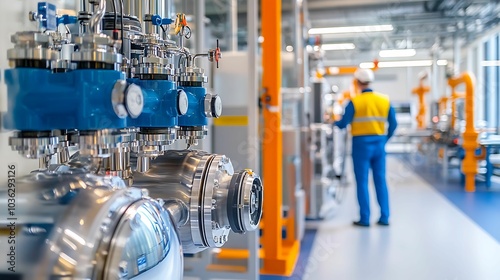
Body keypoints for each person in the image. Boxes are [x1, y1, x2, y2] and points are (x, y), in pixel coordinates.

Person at [334, 68, 398, 227]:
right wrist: (384, 139)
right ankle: (384, 217)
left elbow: (343, 124)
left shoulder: (355, 102)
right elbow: (394, 124)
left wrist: (333, 121)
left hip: (360, 146)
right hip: (379, 145)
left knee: (362, 182)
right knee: (380, 181)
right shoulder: (384, 100)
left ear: (356, 82)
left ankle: (365, 218)